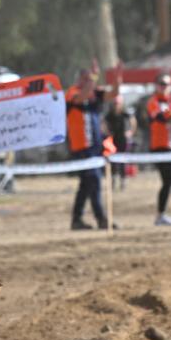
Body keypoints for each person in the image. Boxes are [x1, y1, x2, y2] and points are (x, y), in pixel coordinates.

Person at [65, 69, 110, 230]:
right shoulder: (72, 93)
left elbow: (114, 93)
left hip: (96, 148)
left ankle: (76, 220)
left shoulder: (93, 95)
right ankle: (101, 218)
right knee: (94, 181)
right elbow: (80, 97)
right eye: (85, 79)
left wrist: (118, 77)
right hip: (82, 148)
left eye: (89, 80)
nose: (88, 82)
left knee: (85, 185)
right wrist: (93, 79)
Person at [145, 73, 171, 225]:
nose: (163, 86)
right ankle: (160, 215)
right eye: (161, 83)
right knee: (168, 181)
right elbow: (159, 117)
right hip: (159, 147)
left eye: (166, 84)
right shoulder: (153, 101)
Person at [105, 93, 135, 190]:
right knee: (113, 161)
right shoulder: (109, 115)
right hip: (113, 141)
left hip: (124, 140)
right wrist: (108, 133)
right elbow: (104, 123)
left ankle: (123, 181)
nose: (116, 105)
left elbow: (133, 121)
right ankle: (113, 180)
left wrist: (131, 132)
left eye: (117, 103)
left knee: (123, 161)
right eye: (115, 103)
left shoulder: (125, 113)